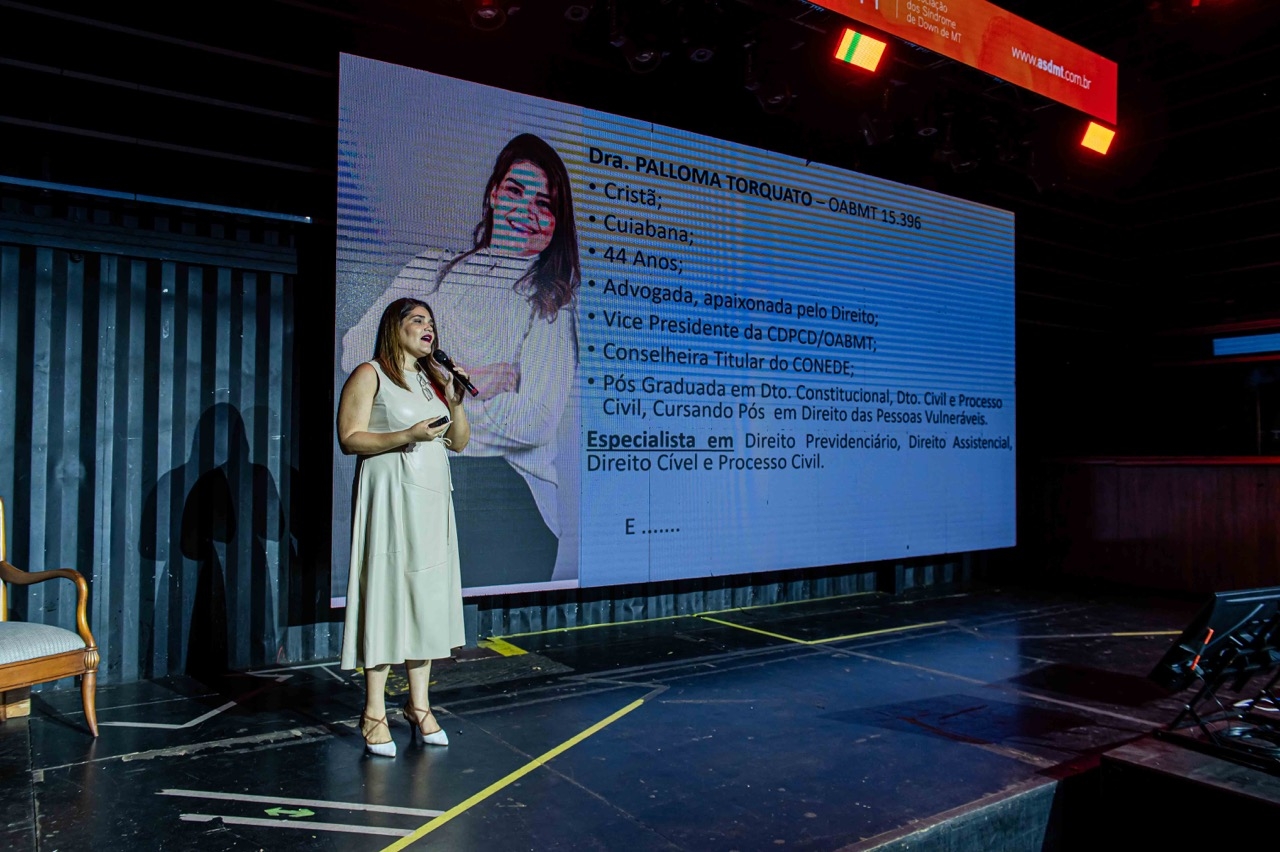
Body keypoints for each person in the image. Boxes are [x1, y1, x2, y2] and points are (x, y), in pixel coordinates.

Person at [342, 133, 580, 588]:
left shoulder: (551, 304)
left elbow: (533, 422)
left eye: (544, 204)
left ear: (557, 220)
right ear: (493, 194)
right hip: (419, 470)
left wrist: (424, 403)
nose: (526, 211)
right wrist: (466, 382)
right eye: (515, 191)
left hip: (506, 494)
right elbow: (355, 350)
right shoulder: (428, 268)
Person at [337, 297, 469, 757]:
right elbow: (349, 438)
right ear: (395, 327)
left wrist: (455, 401)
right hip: (390, 498)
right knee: (387, 596)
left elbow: (458, 442)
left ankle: (419, 705)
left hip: (430, 503)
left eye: (431, 321)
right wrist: (407, 435)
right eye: (417, 320)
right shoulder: (370, 373)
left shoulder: (433, 381)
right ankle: (373, 711)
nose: (428, 327)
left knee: (426, 599)